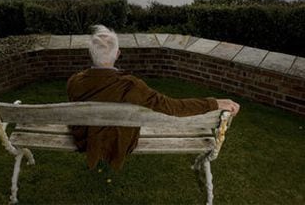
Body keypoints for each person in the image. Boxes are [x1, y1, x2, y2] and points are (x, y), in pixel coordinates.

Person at [67, 25, 240, 170]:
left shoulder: (74, 82)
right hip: (121, 142)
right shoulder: (131, 86)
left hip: (86, 140)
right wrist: (215, 103)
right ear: (118, 54)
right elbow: (173, 107)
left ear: (91, 53)